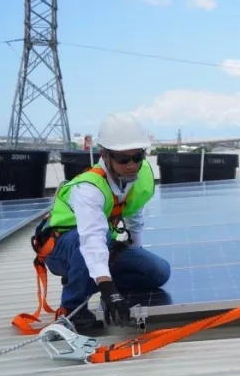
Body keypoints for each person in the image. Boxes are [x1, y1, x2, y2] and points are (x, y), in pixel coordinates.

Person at [32, 114, 171, 332]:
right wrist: (108, 289)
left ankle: (94, 277)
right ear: (104, 155)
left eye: (138, 157)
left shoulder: (141, 176)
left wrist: (134, 258)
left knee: (158, 271)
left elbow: (135, 220)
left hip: (102, 244)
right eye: (123, 159)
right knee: (100, 239)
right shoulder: (88, 188)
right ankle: (72, 309)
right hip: (62, 247)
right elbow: (92, 238)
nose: (132, 165)